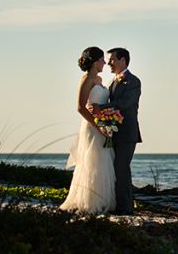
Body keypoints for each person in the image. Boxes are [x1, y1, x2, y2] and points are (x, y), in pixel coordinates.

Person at [60, 46, 116, 213]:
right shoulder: (86, 80)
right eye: (101, 60)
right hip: (92, 128)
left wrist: (107, 119)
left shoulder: (99, 80)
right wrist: (98, 126)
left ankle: (103, 201)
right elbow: (80, 107)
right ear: (94, 62)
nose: (104, 63)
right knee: (92, 162)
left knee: (104, 162)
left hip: (103, 125)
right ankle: (90, 202)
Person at [91, 47, 142, 215]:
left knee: (122, 170)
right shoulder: (113, 82)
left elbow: (125, 103)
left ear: (122, 60)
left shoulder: (133, 81)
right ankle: (121, 205)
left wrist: (101, 108)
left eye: (112, 59)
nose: (109, 63)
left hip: (127, 133)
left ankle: (126, 208)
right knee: (115, 170)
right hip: (113, 132)